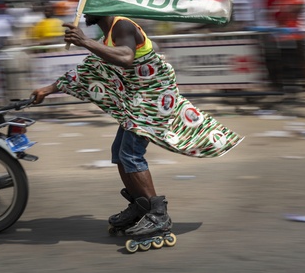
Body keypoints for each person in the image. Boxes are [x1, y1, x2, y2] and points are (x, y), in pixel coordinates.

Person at [31, 15, 243, 238]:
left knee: (130, 154)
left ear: (103, 7)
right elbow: (86, 73)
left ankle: (158, 215)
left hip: (154, 101)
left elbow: (126, 57)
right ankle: (140, 206)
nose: (84, 13)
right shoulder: (106, 39)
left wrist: (84, 42)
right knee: (120, 153)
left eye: (89, 6)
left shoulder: (122, 26)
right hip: (139, 104)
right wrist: (47, 90)